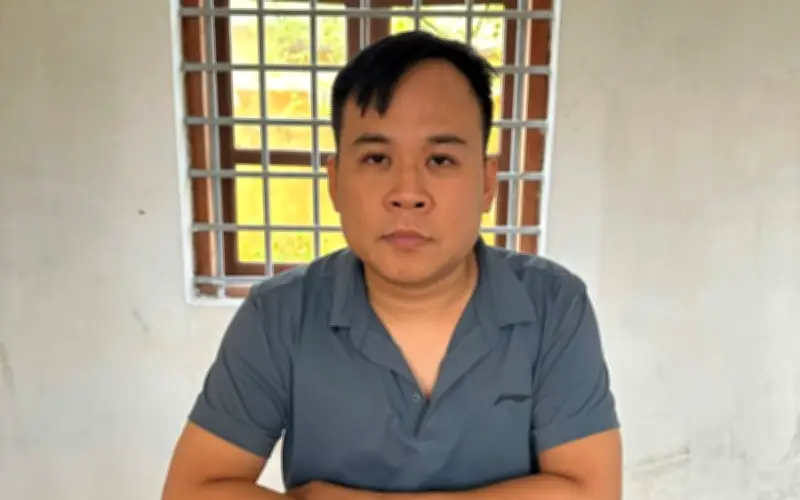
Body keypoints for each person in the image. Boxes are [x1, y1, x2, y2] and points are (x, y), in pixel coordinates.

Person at [162, 30, 622, 500]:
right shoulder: (280, 315)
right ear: (335, 182)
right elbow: (192, 491)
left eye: (440, 159)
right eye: (377, 157)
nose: (407, 193)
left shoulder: (551, 306)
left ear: (487, 184)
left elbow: (592, 492)